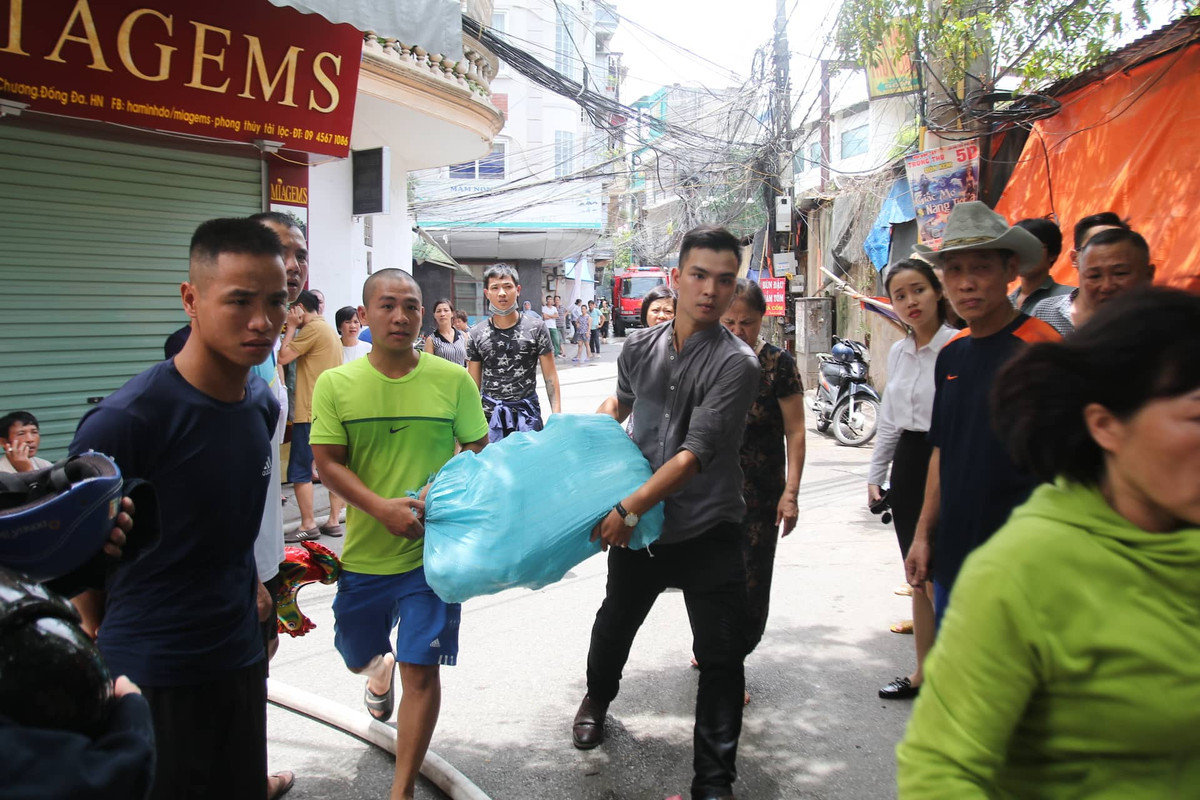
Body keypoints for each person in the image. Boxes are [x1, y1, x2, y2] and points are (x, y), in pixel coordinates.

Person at [898, 288, 1200, 797]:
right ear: (1106, 426)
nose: (969, 284)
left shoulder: (1033, 339)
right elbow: (941, 771)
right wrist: (925, 533)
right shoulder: (1024, 573)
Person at [68, 218, 288, 800]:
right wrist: (98, 640)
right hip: (151, 675)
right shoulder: (129, 420)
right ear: (190, 298)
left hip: (238, 661)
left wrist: (253, 591)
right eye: (240, 301)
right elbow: (76, 560)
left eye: (276, 301)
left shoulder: (261, 405)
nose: (262, 321)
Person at [576, 225, 760, 800]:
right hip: (645, 531)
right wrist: (580, 439)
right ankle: (596, 700)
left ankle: (713, 781)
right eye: (699, 276)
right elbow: (620, 405)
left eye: (724, 280)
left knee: (723, 658)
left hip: (708, 526)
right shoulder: (637, 347)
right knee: (615, 624)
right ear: (675, 279)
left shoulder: (740, 364)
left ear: (734, 290)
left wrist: (628, 508)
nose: (710, 290)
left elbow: (695, 454)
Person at [310, 269, 489, 800]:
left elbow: (478, 450)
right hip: (365, 557)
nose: (401, 316)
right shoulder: (337, 384)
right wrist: (380, 509)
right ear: (364, 316)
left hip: (431, 562)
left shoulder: (452, 379)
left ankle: (402, 788)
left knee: (424, 673)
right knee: (354, 649)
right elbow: (326, 461)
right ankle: (375, 671)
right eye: (387, 305)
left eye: (410, 306)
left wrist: (444, 493)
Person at [905, 202, 1060, 624]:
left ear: (1010, 270)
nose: (967, 283)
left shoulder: (1040, 347)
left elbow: (1065, 463)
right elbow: (942, 449)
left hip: (1023, 558)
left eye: (981, 268)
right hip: (956, 551)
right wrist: (923, 534)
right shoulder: (952, 354)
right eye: (954, 270)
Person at [866, 261, 956, 701]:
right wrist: (875, 473)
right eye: (900, 295)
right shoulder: (900, 352)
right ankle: (923, 673)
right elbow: (889, 419)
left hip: (951, 461)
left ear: (938, 291)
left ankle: (966, 676)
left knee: (945, 573)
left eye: (917, 290)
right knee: (917, 573)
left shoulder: (958, 347)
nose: (910, 302)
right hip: (909, 461)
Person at [720, 279, 807, 685]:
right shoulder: (708, 359)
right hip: (710, 492)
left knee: (751, 581)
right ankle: (717, 653)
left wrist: (791, 492)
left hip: (760, 495)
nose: (738, 331)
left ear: (763, 320)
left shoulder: (779, 365)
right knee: (712, 579)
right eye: (730, 321)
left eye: (748, 323)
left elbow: (796, 431)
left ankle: (733, 661)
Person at [466, 264, 561, 441]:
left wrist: (557, 418)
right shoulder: (476, 334)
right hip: (489, 420)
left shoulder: (536, 328)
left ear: (517, 290)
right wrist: (466, 426)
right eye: (495, 287)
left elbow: (550, 377)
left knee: (529, 467)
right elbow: (472, 386)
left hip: (527, 417)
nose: (502, 293)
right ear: (487, 293)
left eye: (507, 286)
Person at [278, 289, 345, 541]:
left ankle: (308, 523)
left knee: (300, 470)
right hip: (328, 410)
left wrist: (291, 327)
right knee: (331, 466)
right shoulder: (327, 329)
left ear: (300, 309)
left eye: (291, 310)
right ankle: (332, 521)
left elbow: (283, 356)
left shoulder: (312, 330)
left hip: (310, 410)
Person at [1034, 227, 1154, 336]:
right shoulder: (1046, 313)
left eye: (1120, 273)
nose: (1107, 286)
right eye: (1094, 276)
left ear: (1148, 274)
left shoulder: (1165, 326)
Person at [1008, 218, 1072, 313]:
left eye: (1031, 246)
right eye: (1017, 247)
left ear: (1052, 255)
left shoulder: (1069, 298)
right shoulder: (1003, 304)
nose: (1023, 253)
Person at [423, 298, 468, 367]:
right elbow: (428, 366)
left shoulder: (463, 336)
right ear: (434, 315)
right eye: (438, 311)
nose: (442, 314)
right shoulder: (431, 340)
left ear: (452, 313)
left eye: (446, 310)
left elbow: (469, 361)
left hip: (462, 376)